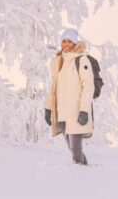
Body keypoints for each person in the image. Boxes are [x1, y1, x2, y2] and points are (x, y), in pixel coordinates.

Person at [44, 28, 93, 165]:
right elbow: (54, 87)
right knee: (72, 148)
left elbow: (88, 87)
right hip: (62, 112)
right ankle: (86, 172)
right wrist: (48, 108)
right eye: (64, 41)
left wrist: (84, 110)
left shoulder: (81, 60)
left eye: (69, 41)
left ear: (75, 44)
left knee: (76, 149)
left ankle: (80, 177)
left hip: (76, 111)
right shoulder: (59, 62)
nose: (66, 44)